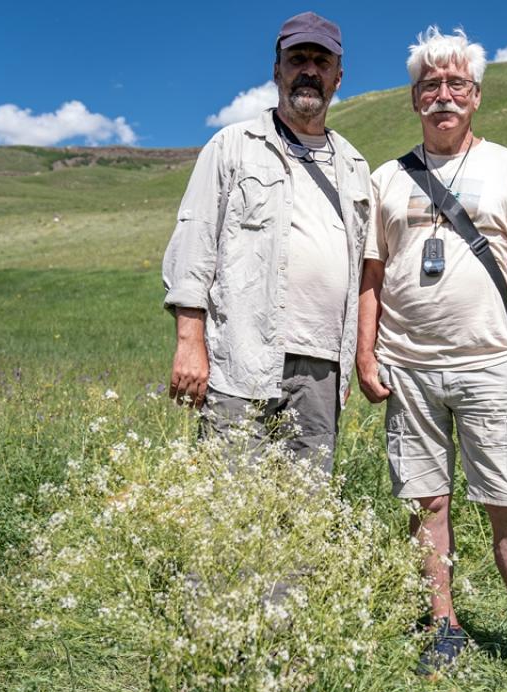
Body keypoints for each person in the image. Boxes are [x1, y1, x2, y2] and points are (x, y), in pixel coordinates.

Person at [355, 26, 507, 689]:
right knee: (428, 504)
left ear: (474, 96)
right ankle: (442, 626)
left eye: (455, 85)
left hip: (488, 366)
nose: (442, 96)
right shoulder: (386, 178)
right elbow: (370, 274)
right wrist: (367, 354)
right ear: (413, 99)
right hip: (408, 368)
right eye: (430, 86)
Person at [162, 12, 371, 473]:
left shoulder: (355, 166)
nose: (309, 70)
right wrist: (189, 342)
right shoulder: (233, 146)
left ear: (339, 76)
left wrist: (352, 358)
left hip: (321, 368)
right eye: (298, 58)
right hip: (242, 358)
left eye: (322, 60)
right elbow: (194, 247)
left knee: (305, 509)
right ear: (277, 69)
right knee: (231, 505)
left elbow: (361, 273)